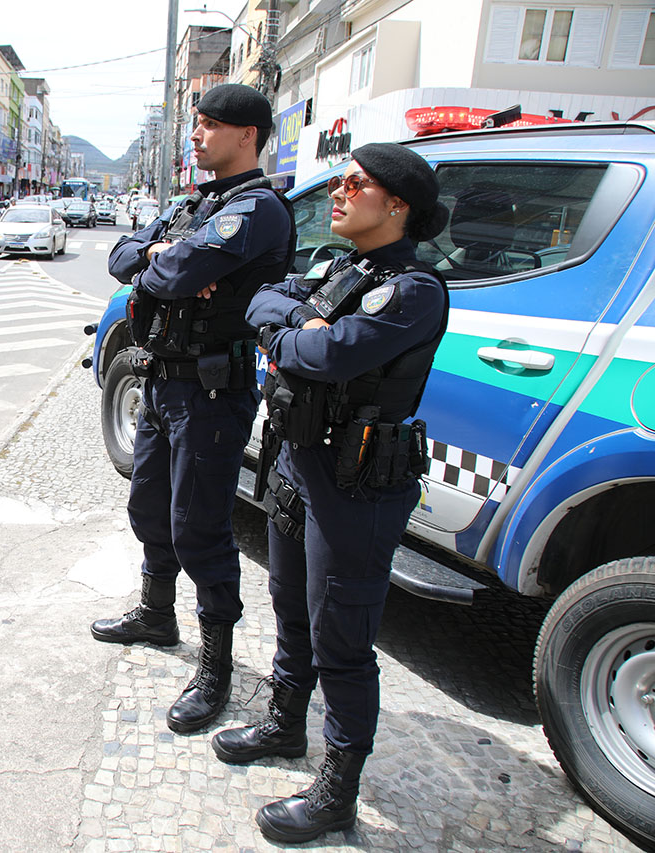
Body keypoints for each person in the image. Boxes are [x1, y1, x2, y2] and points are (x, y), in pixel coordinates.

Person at [217, 144, 450, 844]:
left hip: (356, 481)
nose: (340, 193)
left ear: (398, 206)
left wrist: (295, 334)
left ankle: (337, 789)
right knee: (291, 605)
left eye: (357, 184)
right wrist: (296, 325)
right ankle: (287, 724)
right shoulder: (347, 268)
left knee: (342, 638)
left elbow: (327, 353)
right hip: (297, 461)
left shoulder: (412, 290)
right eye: (341, 181)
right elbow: (264, 299)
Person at [92, 83, 297, 735]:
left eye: (210, 125)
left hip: (211, 392)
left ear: (248, 136)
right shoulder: (196, 204)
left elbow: (174, 275)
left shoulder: (258, 208)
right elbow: (124, 258)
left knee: (200, 529)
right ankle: (157, 614)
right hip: (161, 381)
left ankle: (216, 669)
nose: (197, 134)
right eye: (196, 123)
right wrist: (159, 256)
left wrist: (165, 266)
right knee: (148, 508)